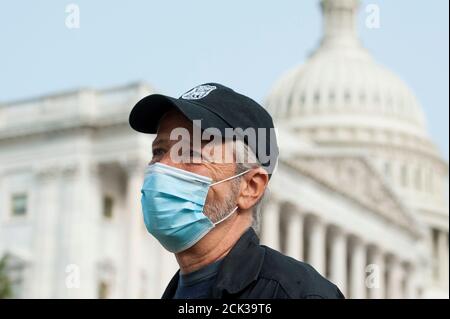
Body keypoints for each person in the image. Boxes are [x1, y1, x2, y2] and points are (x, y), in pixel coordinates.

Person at [129, 83, 344, 299]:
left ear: (250, 187)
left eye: (190, 153)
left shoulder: (300, 294)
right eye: (158, 151)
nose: (163, 166)